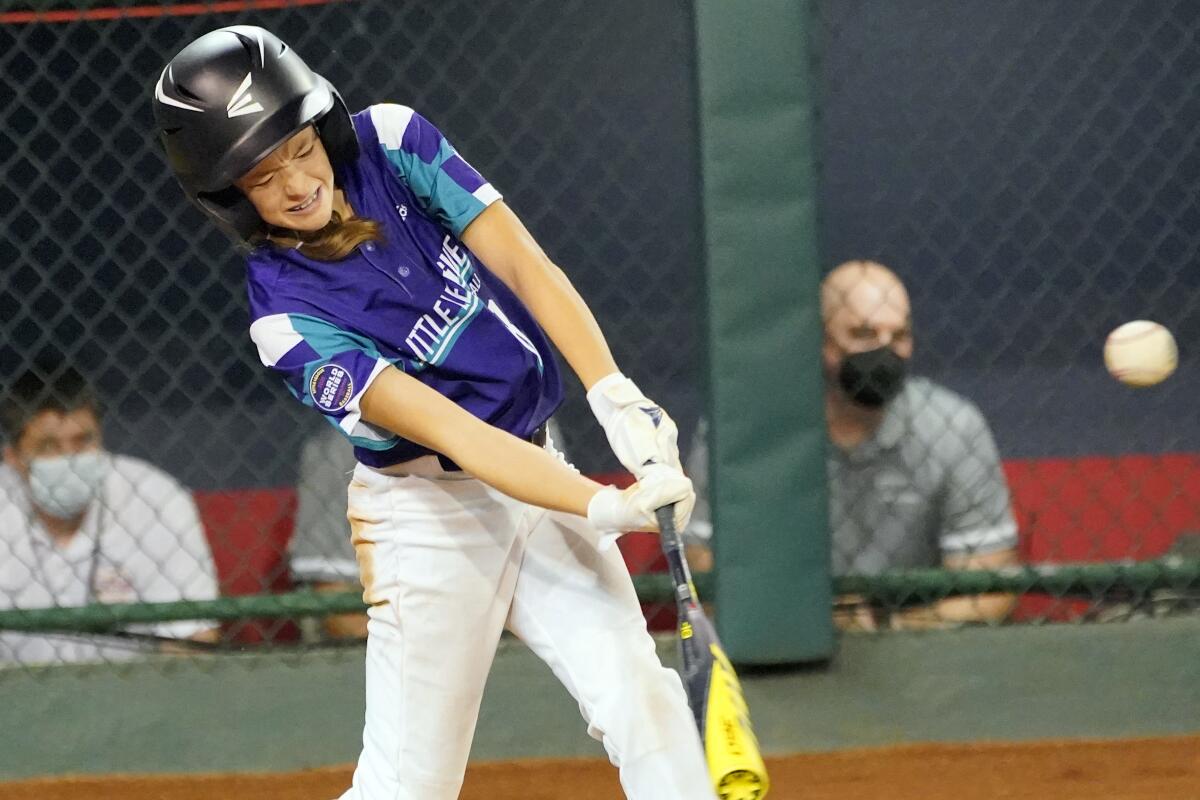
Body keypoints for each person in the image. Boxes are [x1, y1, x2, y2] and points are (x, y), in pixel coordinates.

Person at [153, 26, 714, 800]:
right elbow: (459, 435)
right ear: (229, 196)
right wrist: (607, 503)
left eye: (297, 146)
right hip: (429, 518)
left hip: (537, 465)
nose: (294, 181)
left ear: (321, 124)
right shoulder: (286, 321)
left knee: (644, 702)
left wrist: (613, 391)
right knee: (408, 785)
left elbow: (524, 262)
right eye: (259, 173)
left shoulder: (390, 140)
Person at [685, 260, 1019, 629]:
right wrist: (809, 623)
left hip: (915, 646)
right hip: (776, 637)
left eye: (899, 337)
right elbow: (701, 567)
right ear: (819, 338)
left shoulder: (953, 427)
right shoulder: (743, 428)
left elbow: (990, 591)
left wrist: (885, 630)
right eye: (863, 334)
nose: (884, 352)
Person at [0, 366, 220, 664]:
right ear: (12, 457)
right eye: (48, 446)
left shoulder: (155, 498)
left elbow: (192, 640)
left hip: (137, 698)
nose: (69, 459)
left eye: (83, 441)